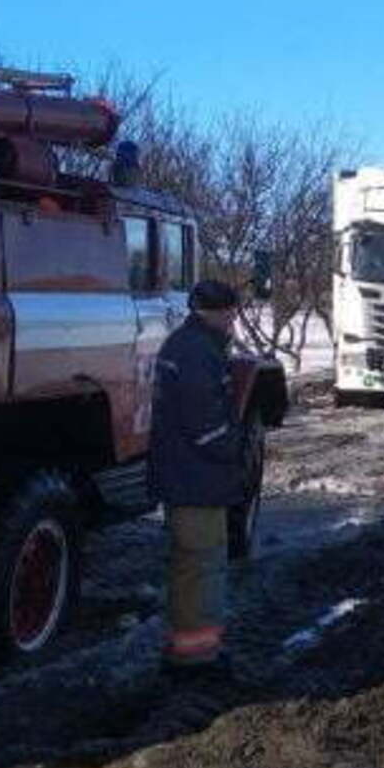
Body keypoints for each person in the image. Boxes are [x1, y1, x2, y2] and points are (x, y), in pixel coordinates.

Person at [146, 280, 255, 676]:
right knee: (201, 567)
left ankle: (192, 649)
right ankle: (195, 657)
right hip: (195, 478)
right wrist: (236, 450)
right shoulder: (196, 352)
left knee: (193, 566)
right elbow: (207, 427)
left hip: (188, 475)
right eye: (231, 313)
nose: (233, 320)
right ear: (219, 312)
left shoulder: (189, 345)